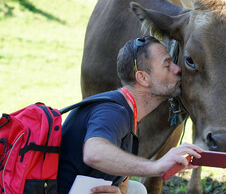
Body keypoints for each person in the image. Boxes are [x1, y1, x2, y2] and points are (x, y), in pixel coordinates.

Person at [57, 36, 203, 194]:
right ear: (143, 78)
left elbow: (122, 184)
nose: (177, 69)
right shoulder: (113, 112)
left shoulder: (130, 116)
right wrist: (156, 166)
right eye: (167, 65)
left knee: (137, 189)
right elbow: (93, 153)